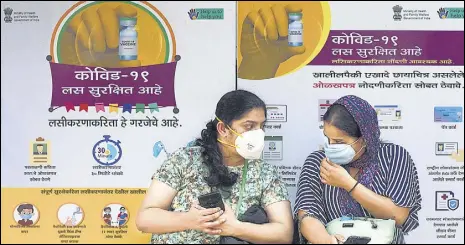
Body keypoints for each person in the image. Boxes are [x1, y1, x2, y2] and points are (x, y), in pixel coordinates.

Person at [136, 90, 293, 244]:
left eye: (261, 126)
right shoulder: (185, 160)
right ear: (223, 129)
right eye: (249, 126)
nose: (258, 133)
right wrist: (189, 220)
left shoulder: (264, 173)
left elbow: (284, 233)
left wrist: (236, 228)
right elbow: (145, 219)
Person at [295, 95, 422, 244]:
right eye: (327, 138)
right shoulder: (317, 162)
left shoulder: (393, 156)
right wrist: (327, 241)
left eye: (339, 142)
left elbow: (399, 216)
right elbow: (306, 215)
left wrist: (349, 184)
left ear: (364, 138)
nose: (330, 146)